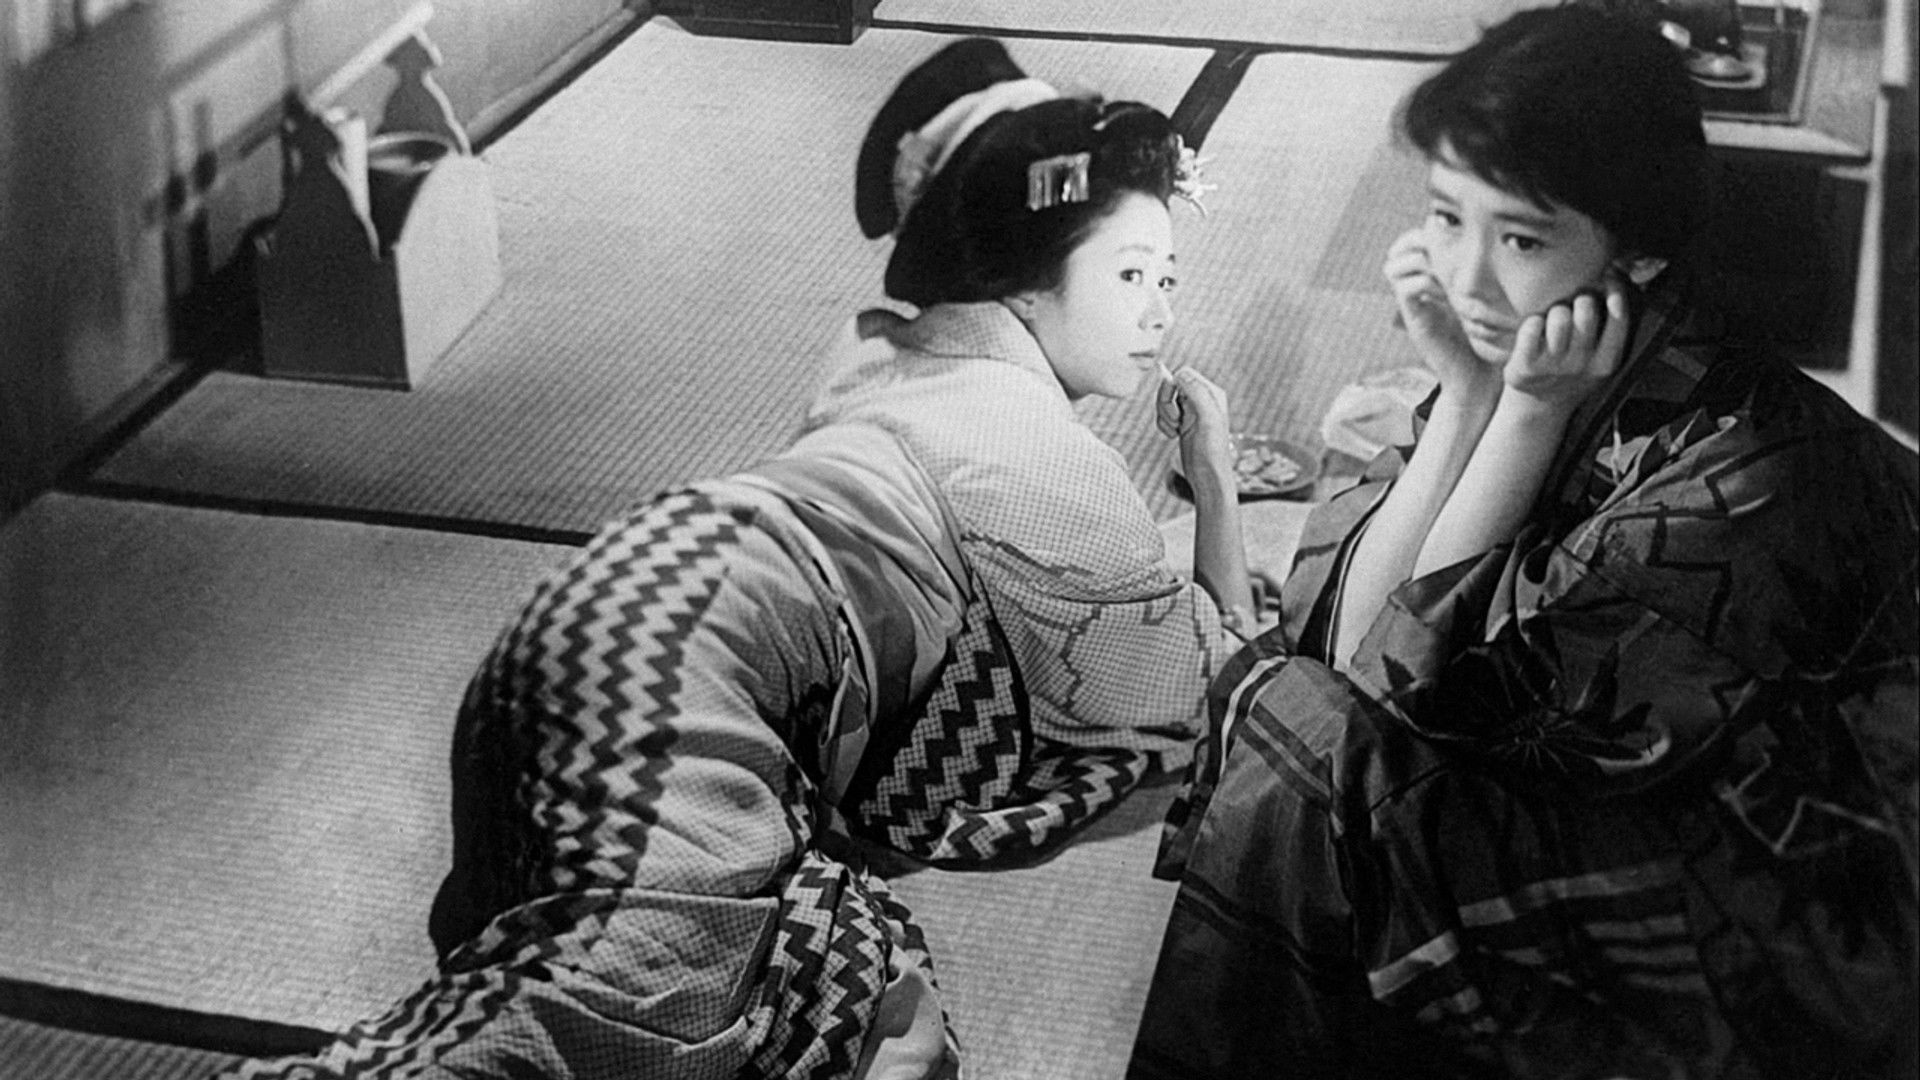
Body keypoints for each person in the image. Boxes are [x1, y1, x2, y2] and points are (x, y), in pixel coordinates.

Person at [220, 36, 1252, 1080]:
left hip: (599, 608)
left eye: (1167, 277)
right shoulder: (1043, 457)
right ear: (1025, 282)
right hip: (684, 690)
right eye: (1129, 274)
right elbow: (1218, 689)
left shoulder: (876, 353)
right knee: (545, 1050)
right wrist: (1212, 473)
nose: (1160, 311)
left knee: (860, 1003)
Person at [1129, 5, 1919, 1079]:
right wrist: (1468, 397)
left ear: (1638, 252)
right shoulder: (1572, 344)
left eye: (1523, 239)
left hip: (1805, 903)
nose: (1466, 279)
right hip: (1675, 796)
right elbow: (1341, 639)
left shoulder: (1732, 484)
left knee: (1308, 771)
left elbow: (1381, 694)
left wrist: (1525, 412)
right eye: (1446, 216)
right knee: (1292, 710)